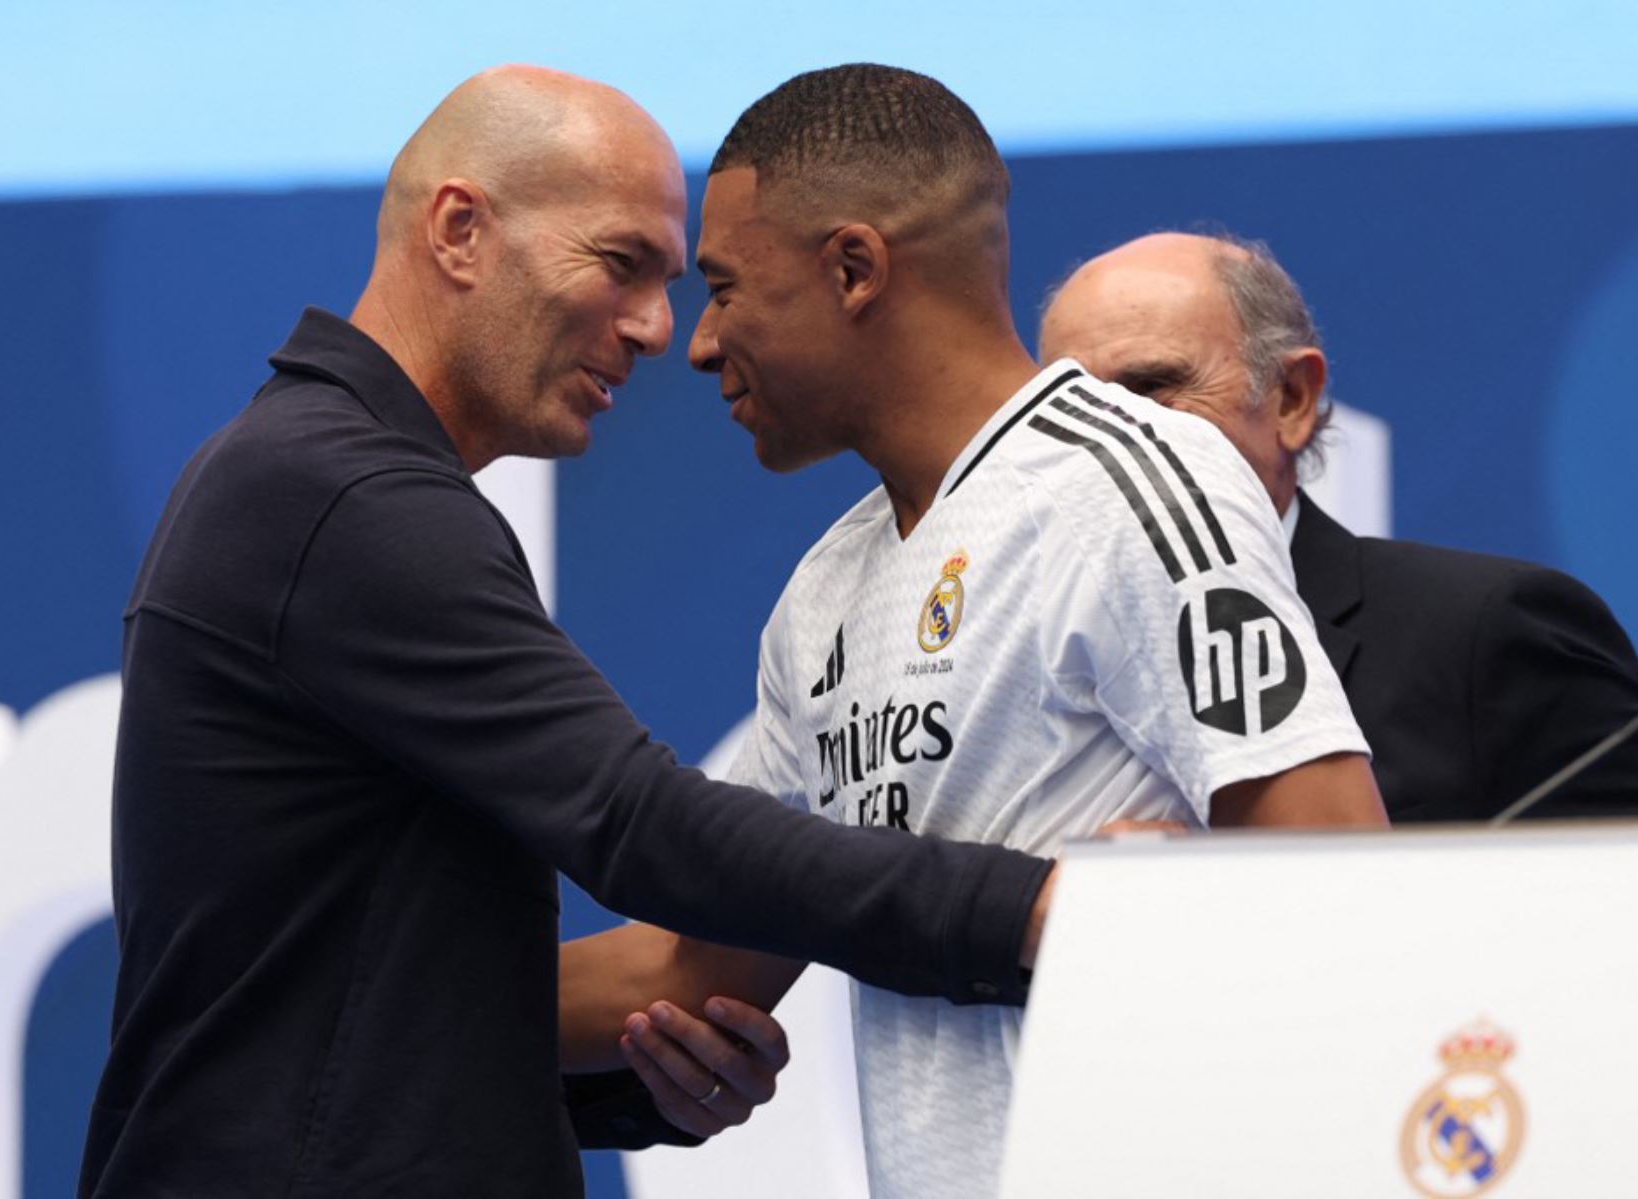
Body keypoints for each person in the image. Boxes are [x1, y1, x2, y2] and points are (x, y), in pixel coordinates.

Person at [78, 66, 1064, 1199]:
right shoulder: (344, 497)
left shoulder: (318, 479)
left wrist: (613, 1083)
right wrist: (1041, 909)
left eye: (674, 280)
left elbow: (339, 991)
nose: (658, 331)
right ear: (460, 230)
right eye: (621, 263)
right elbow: (636, 822)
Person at [571, 65, 1386, 1199]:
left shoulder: (1132, 479)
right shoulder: (822, 595)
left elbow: (1343, 883)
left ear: (853, 268)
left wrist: (1162, 916)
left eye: (724, 288)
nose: (699, 344)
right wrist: (342, 1005)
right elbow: (685, 965)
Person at [1037, 230, 1638, 820]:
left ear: (1292, 399)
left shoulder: (1485, 634)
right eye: (1071, 408)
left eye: (1151, 386)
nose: (1105, 438)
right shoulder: (1006, 654)